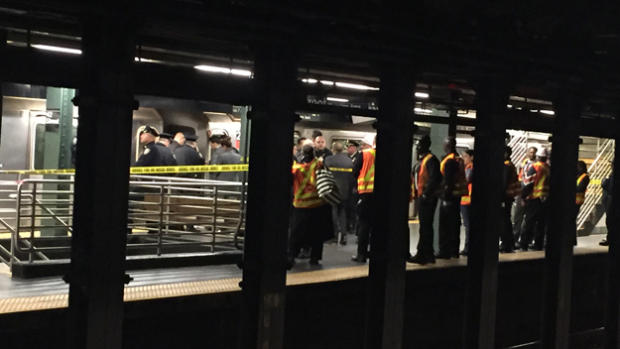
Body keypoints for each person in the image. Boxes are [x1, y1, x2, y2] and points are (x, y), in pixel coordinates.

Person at [288, 141, 334, 266]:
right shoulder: (319, 164)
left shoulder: (296, 168)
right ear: (313, 153)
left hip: (300, 205)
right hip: (317, 205)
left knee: (296, 233)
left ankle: (292, 255)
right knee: (317, 234)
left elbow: (290, 183)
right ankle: (314, 258)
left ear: (303, 154)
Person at [408, 135, 441, 265]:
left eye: (419, 145)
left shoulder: (431, 160)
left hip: (427, 198)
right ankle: (428, 254)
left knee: (426, 226)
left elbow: (434, 178)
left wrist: (426, 194)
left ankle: (423, 254)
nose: (418, 147)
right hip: (422, 196)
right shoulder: (423, 160)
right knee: (425, 226)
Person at [437, 137, 466, 259]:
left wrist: (444, 196)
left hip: (449, 197)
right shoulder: (459, 159)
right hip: (457, 196)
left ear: (448, 145)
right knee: (455, 224)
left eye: (444, 144)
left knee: (445, 225)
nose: (443, 146)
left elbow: (448, 180)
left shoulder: (449, 161)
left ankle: (444, 251)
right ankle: (454, 250)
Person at [519, 147, 550, 251]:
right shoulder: (549, 168)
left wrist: (523, 196)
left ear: (538, 157)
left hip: (534, 199)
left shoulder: (535, 167)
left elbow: (528, 183)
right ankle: (538, 245)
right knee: (541, 224)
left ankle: (524, 244)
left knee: (529, 222)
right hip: (545, 200)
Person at [351, 134, 376, 262]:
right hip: (381, 197)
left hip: (366, 193)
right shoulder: (389, 155)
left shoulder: (365, 154)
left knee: (364, 224)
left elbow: (354, 172)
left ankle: (361, 254)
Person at [325, 141, 354, 245]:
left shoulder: (328, 160)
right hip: (345, 191)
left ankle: (334, 235)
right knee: (342, 213)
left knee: (333, 212)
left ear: (333, 149)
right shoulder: (349, 161)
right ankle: (344, 236)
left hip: (332, 190)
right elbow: (352, 178)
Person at [513, 146, 537, 247]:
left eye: (534, 152)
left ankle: (525, 241)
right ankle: (514, 240)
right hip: (521, 192)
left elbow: (530, 182)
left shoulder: (536, 165)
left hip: (530, 195)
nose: (532, 154)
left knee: (528, 220)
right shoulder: (524, 163)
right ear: (527, 153)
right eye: (530, 152)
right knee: (517, 218)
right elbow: (521, 177)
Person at [501, 146, 521, 253]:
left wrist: (500, 197)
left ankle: (506, 244)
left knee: (503, 221)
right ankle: (509, 243)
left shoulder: (506, 165)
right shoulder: (510, 165)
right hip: (509, 197)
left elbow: (503, 183)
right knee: (506, 220)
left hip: (505, 197)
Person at [346, 140, 362, 236]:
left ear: (354, 148)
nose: (348, 149)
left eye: (350, 147)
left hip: (354, 187)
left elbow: (357, 173)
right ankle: (349, 225)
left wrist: (356, 186)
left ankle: (353, 226)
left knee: (353, 207)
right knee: (348, 206)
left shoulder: (358, 157)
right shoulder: (348, 157)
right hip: (348, 186)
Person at [459, 149, 474, 255]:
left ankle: (467, 248)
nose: (463, 159)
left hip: (467, 200)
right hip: (467, 200)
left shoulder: (470, 168)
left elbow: (466, 179)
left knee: (468, 225)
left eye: (465, 156)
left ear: (471, 157)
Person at [574, 160, 590, 245]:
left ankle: (573, 240)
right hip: (574, 201)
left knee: (572, 220)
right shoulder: (577, 176)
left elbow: (580, 188)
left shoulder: (585, 177)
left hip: (577, 201)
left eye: (578, 166)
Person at [600, 170, 614, 246]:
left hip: (610, 201)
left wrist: (604, 181)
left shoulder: (614, 175)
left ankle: (610, 239)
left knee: (610, 221)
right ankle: (610, 238)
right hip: (608, 200)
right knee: (609, 221)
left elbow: (608, 186)